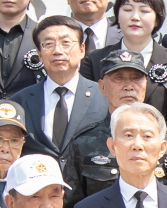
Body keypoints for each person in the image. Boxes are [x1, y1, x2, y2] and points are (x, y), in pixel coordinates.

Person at [62, 48, 163, 208]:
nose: (129, 87)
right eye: (119, 79)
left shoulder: (162, 139)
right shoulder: (84, 143)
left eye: (136, 78)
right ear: (102, 87)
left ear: (146, 84)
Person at [80, 0, 167, 121]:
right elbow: (86, 109)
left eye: (144, 11)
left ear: (157, 19)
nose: (135, 17)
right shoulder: (95, 59)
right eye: (127, 10)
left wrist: (153, 135)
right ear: (117, 15)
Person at [12, 15, 105, 165]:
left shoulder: (104, 96)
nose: (57, 51)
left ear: (82, 50)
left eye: (66, 43)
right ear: (39, 54)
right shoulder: (20, 102)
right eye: (48, 44)